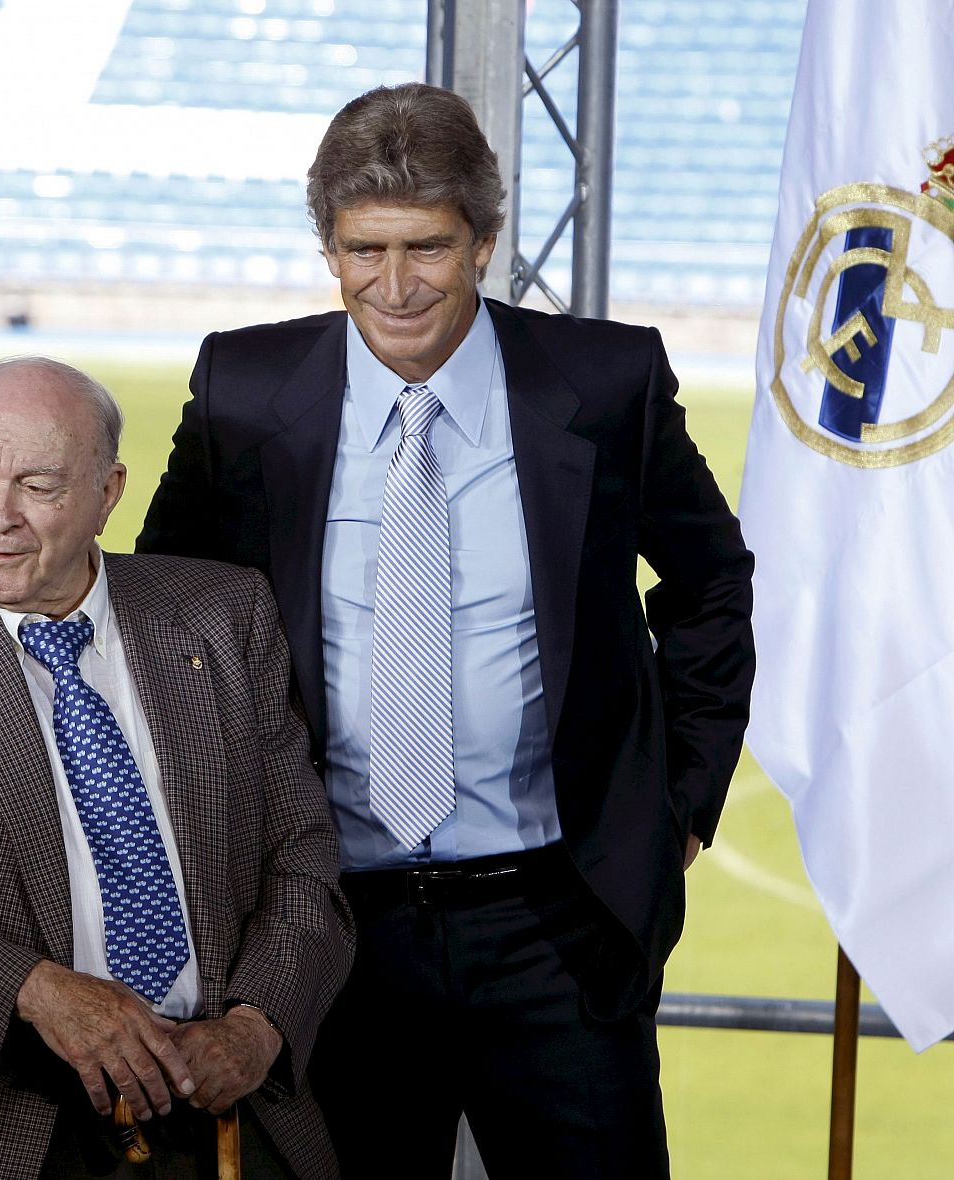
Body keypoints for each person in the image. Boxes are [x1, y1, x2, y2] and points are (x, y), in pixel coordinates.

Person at [137, 82, 756, 1178]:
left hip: (559, 922)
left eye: (426, 246)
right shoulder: (243, 389)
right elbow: (159, 609)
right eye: (361, 249)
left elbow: (710, 584)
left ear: (485, 238)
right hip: (328, 927)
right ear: (327, 245)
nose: (393, 284)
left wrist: (679, 814)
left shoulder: (605, 383)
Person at [0, 357, 354, 1179]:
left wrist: (257, 1026)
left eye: (39, 487)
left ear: (108, 491)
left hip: (221, 1109)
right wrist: (41, 991)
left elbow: (302, 851)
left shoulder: (225, 613)